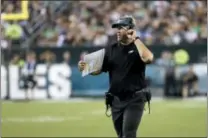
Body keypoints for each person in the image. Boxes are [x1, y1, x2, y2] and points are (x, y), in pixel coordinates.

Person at [78, 15, 154, 138]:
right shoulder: (111, 49)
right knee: (121, 135)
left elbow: (148, 58)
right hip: (116, 99)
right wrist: (85, 68)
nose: (117, 31)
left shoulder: (138, 47)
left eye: (121, 28)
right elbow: (98, 70)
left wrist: (136, 38)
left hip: (135, 98)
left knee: (129, 134)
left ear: (130, 29)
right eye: (116, 28)